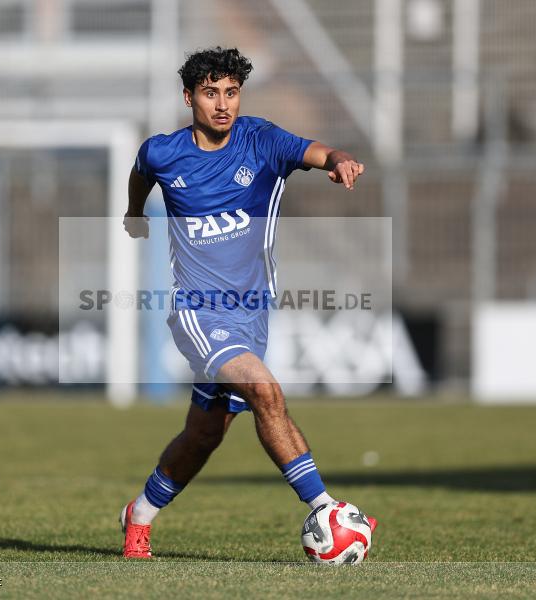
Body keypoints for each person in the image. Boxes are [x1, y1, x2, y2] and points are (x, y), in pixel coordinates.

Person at [119, 47, 376, 559]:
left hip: (252, 314)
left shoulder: (261, 141)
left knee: (204, 435)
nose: (222, 104)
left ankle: (139, 516)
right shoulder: (163, 152)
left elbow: (317, 151)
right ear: (189, 96)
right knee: (265, 390)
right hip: (197, 311)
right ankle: (325, 508)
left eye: (231, 93)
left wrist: (340, 159)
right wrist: (134, 211)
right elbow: (140, 172)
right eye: (210, 93)